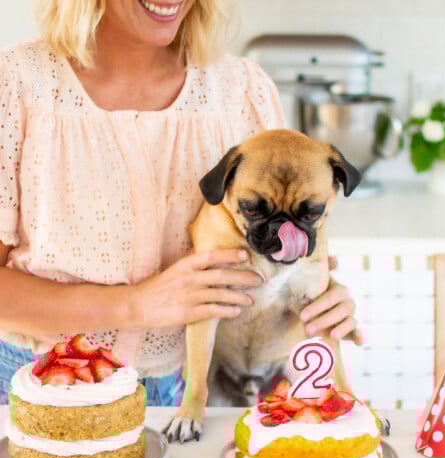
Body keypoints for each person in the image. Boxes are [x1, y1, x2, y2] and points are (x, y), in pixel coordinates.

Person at [0, 0, 360, 406]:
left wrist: (316, 299)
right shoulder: (16, 83)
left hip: (186, 395)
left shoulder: (242, 91)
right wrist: (138, 304)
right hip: (32, 385)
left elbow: (273, 259)